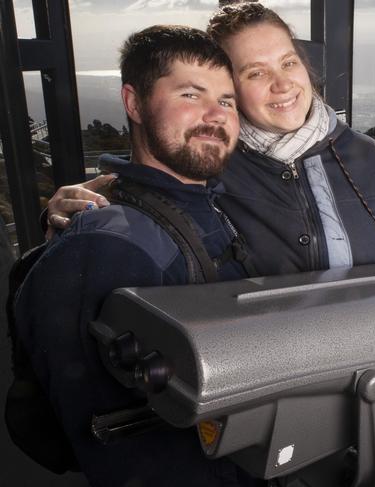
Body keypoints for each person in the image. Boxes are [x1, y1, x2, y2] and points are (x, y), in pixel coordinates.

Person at [44, 4, 375, 485]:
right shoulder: (211, 164)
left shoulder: (371, 160)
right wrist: (81, 208)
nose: (282, 83)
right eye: (256, 72)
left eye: (288, 62)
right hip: (271, 429)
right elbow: (154, 190)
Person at [16, 25, 263, 487]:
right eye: (191, 94)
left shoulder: (212, 207)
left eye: (227, 101)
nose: (216, 115)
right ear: (133, 103)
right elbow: (122, 447)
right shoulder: (106, 247)